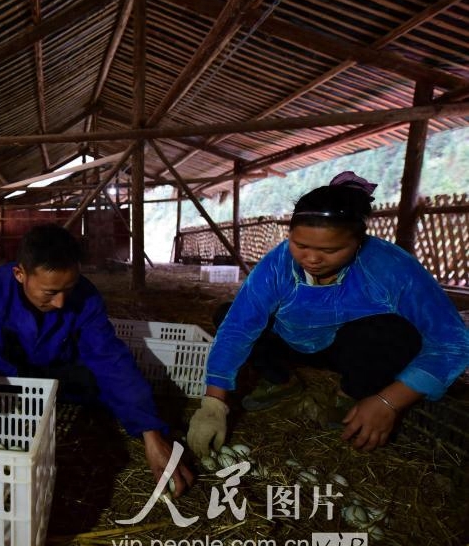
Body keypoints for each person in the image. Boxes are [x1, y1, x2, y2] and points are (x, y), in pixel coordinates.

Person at [187, 171, 469, 457]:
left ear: (359, 241)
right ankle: (280, 382)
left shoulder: (392, 267)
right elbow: (238, 327)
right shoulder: (278, 263)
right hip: (292, 342)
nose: (312, 258)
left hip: (352, 349)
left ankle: (352, 396)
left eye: (330, 250)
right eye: (301, 245)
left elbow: (453, 343)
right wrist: (214, 403)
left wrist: (388, 402)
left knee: (393, 330)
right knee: (229, 315)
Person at [0, 223, 194, 495]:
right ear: (20, 274)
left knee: (99, 380)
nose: (60, 303)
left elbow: (110, 359)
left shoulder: (85, 297)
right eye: (50, 292)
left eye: (68, 289)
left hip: (54, 371)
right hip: (1, 380)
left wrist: (151, 431)